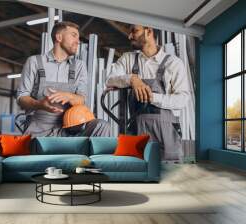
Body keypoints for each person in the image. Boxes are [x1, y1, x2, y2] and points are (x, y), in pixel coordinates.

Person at [106, 24, 190, 162]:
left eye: (134, 31)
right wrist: (132, 79)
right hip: (136, 128)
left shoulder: (174, 63)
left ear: (149, 31)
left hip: (166, 132)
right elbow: (109, 80)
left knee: (168, 174)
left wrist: (151, 96)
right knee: (134, 170)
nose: (130, 36)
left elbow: (182, 99)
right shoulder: (128, 59)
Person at [16, 21, 110, 137]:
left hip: (70, 128)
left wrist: (69, 96)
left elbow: (82, 99)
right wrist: (39, 104)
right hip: (39, 128)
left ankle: (87, 155)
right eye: (73, 35)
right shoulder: (34, 62)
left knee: (102, 125)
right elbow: (21, 97)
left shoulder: (79, 66)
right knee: (40, 146)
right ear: (59, 37)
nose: (78, 41)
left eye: (78, 37)